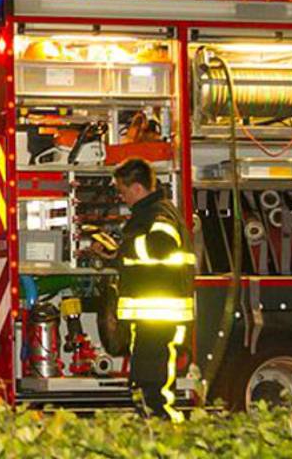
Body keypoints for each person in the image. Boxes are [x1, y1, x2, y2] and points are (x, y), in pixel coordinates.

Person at [112, 157, 195, 421]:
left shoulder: (157, 214)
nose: (122, 198)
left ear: (136, 188)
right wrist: (114, 255)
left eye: (123, 191)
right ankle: (151, 424)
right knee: (146, 377)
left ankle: (163, 429)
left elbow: (162, 247)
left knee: (154, 379)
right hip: (154, 314)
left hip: (160, 313)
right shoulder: (153, 212)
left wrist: (124, 248)